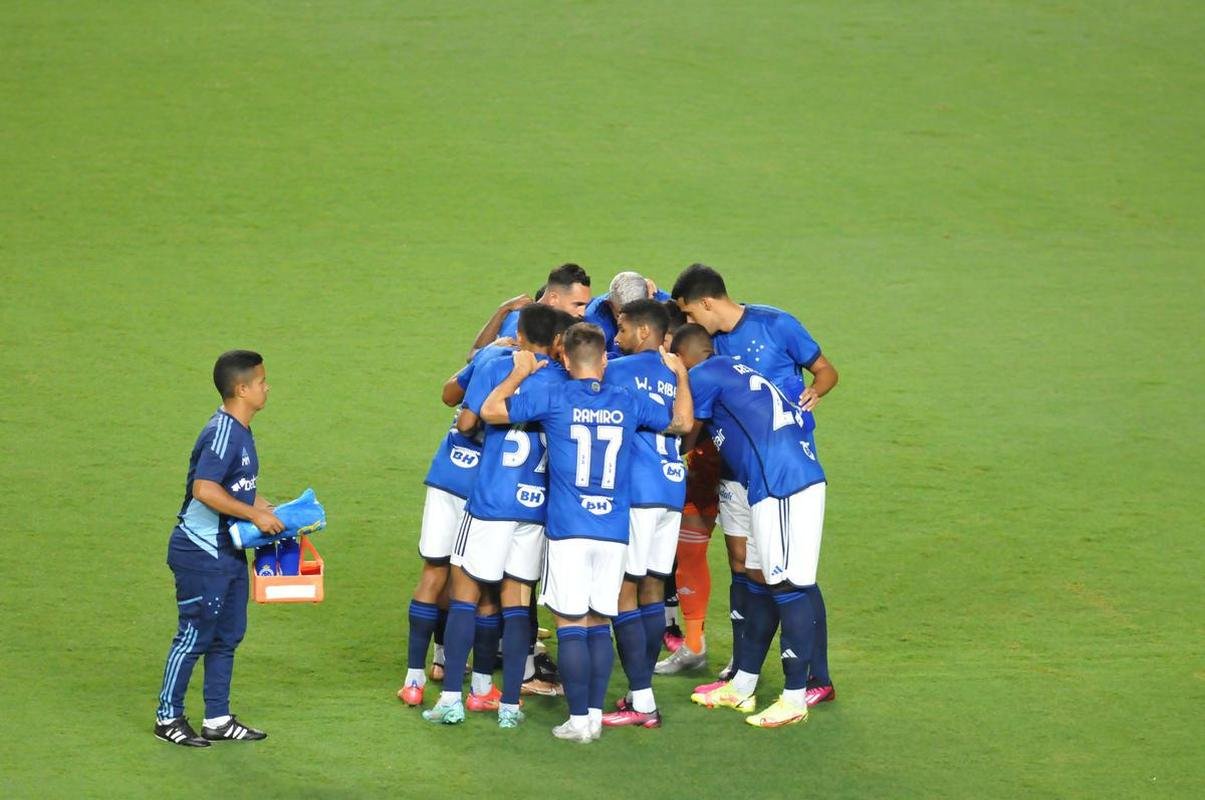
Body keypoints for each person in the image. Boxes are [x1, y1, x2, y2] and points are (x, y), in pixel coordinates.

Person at [477, 323, 687, 742]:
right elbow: (681, 422)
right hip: (613, 529)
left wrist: (518, 374)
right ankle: (592, 713)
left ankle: (579, 720)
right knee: (598, 622)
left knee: (571, 622)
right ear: (604, 359)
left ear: (566, 360)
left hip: (569, 529)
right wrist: (680, 376)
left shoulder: (553, 396)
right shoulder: (627, 401)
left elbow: (489, 411)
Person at [671, 263, 839, 706]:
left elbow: (826, 370)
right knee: (745, 564)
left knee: (792, 575)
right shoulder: (709, 347)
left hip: (781, 471)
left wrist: (816, 392)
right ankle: (743, 672)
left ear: (706, 303)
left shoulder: (776, 324)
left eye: (689, 314)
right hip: (737, 470)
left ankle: (812, 679)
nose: (688, 324)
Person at [422, 305, 569, 728]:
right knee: (516, 602)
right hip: (534, 507)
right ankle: (506, 704)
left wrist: (515, 373)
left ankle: (452, 697)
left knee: (465, 595)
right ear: (557, 340)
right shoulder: (563, 381)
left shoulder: (498, 365)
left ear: (519, 333)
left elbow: (476, 416)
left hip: (490, 502)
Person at [154, 350, 283, 747]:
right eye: (261, 382)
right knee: (194, 635)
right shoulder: (224, 431)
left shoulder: (241, 430)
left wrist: (273, 511)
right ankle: (167, 717)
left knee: (227, 635)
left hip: (226, 550)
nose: (267, 387)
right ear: (241, 389)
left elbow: (236, 486)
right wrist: (254, 516)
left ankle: (218, 718)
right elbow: (205, 489)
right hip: (200, 551)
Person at [598, 300, 693, 728]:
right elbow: (689, 425)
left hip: (636, 490)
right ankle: (644, 688)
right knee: (654, 586)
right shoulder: (676, 372)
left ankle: (642, 700)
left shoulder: (616, 370)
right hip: (672, 487)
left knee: (624, 590)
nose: (615, 338)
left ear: (641, 332)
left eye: (620, 329)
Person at [467, 264, 592, 359]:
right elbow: (475, 358)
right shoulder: (524, 325)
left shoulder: (554, 322)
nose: (583, 312)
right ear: (554, 298)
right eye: (577, 304)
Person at [583, 271, 669, 358]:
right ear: (610, 304)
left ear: (648, 299)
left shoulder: (666, 305)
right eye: (618, 315)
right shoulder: (594, 321)